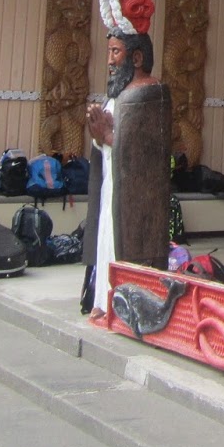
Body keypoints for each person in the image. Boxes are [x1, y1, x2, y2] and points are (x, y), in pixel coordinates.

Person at [82, 29, 156, 318]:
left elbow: (146, 149)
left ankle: (122, 302)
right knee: (106, 238)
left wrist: (109, 136)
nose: (110, 60)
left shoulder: (148, 93)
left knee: (122, 240)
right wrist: (100, 134)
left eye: (116, 52)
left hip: (136, 196)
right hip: (111, 184)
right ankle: (103, 297)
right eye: (109, 52)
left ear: (136, 57)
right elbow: (106, 142)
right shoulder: (116, 96)